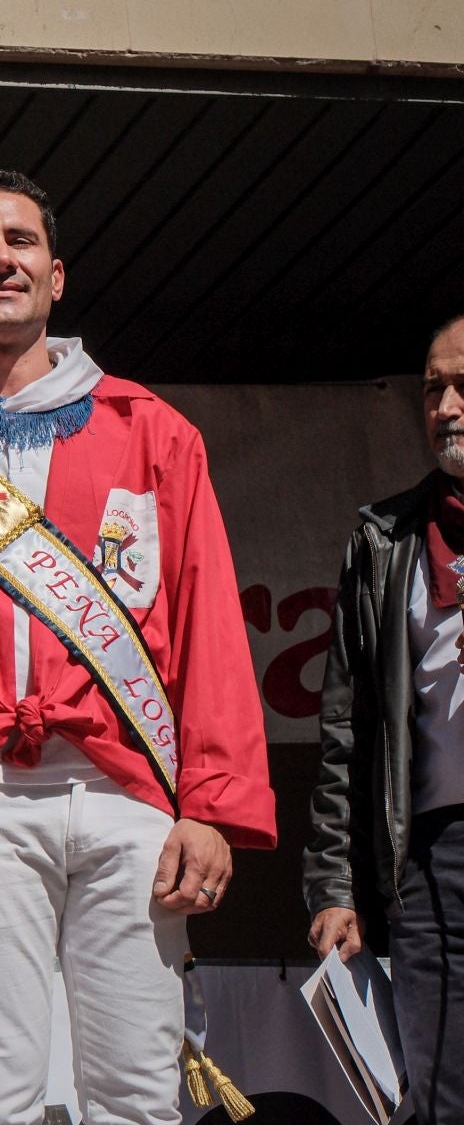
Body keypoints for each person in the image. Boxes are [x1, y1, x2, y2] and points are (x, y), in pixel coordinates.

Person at [0, 168, 276, 1124]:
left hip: (131, 791)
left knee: (138, 1091)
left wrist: (210, 805)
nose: (0, 259)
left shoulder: (150, 429)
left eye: (21, 241)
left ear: (57, 275)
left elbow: (207, 629)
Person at [306, 313, 464, 1124]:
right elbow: (349, 735)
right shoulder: (387, 540)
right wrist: (335, 885)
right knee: (441, 1091)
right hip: (436, 857)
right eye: (434, 387)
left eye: (463, 384)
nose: (445, 405)